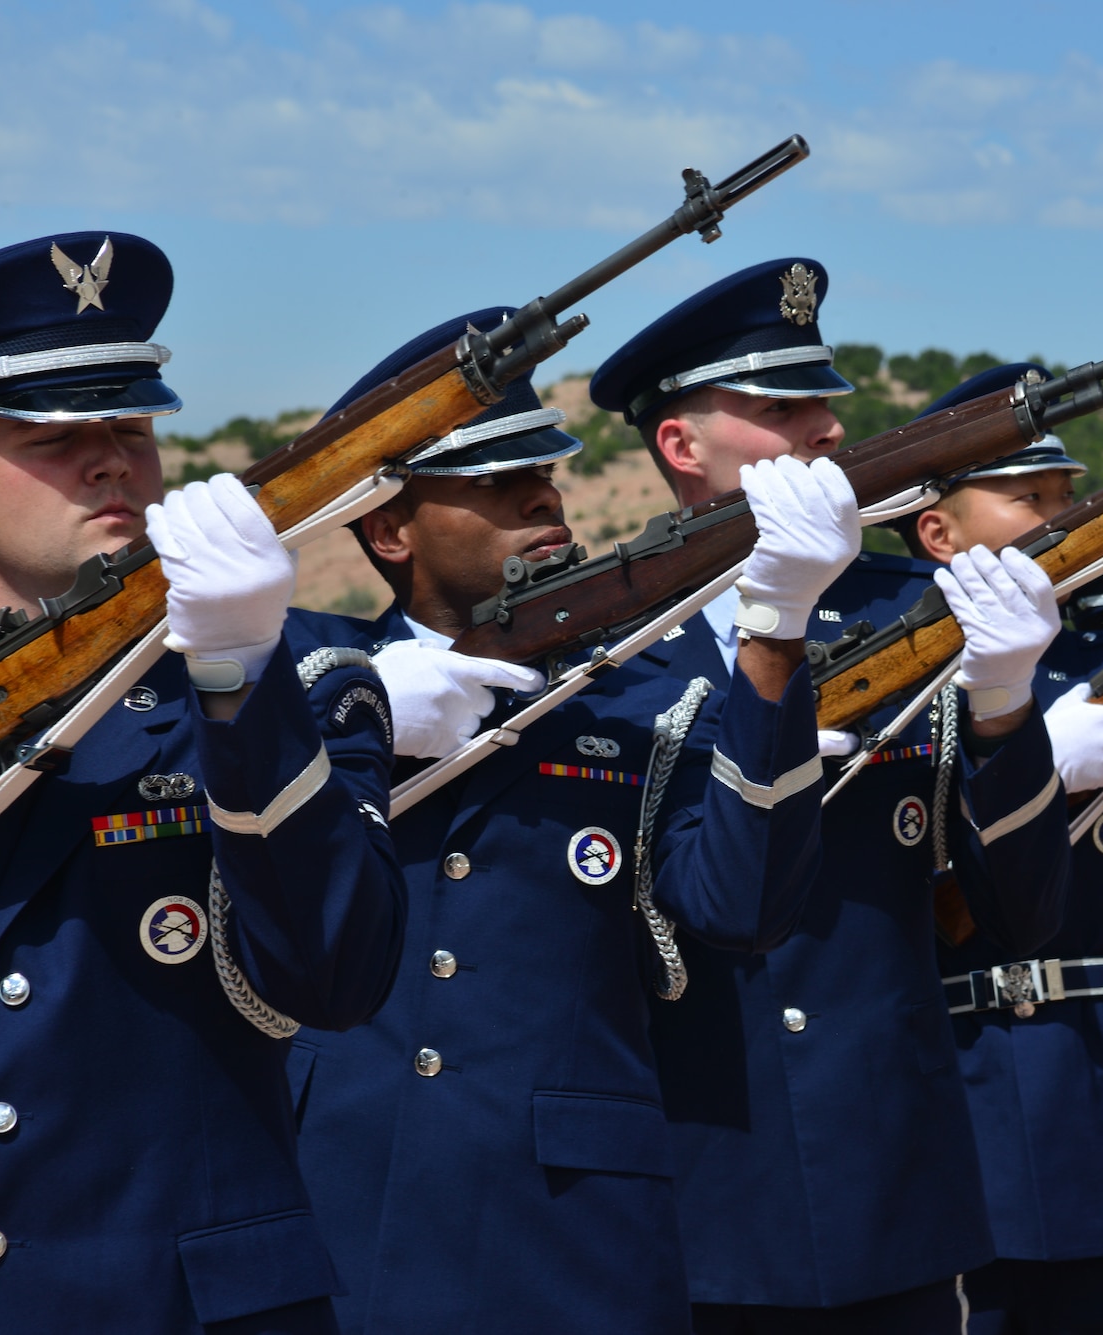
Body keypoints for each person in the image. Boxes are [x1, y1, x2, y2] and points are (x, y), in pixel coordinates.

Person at [0, 232, 406, 1333]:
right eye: (55, 437)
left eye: (130, 426)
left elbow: (336, 977)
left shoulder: (295, 674)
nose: (112, 459)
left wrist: (239, 685)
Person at [283, 309, 841, 1333]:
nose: (540, 495)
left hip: (568, 1225)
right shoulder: (308, 677)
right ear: (388, 529)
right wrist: (354, 710)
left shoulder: (641, 698)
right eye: (493, 483)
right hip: (340, 1197)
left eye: (541, 472)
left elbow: (743, 906)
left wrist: (772, 643)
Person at [592, 261, 1073, 1332]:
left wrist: (1003, 707)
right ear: (681, 447)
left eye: (822, 405)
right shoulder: (598, 645)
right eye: (777, 410)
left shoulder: (915, 613)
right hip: (689, 1174)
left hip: (887, 1175)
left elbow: (1021, 914)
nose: (820, 430)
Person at [897, 364, 1103, 1331]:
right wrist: (1025, 766)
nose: (1059, 514)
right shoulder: (889, 681)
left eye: (1065, 492)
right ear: (938, 532)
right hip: (960, 1090)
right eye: (1025, 495)